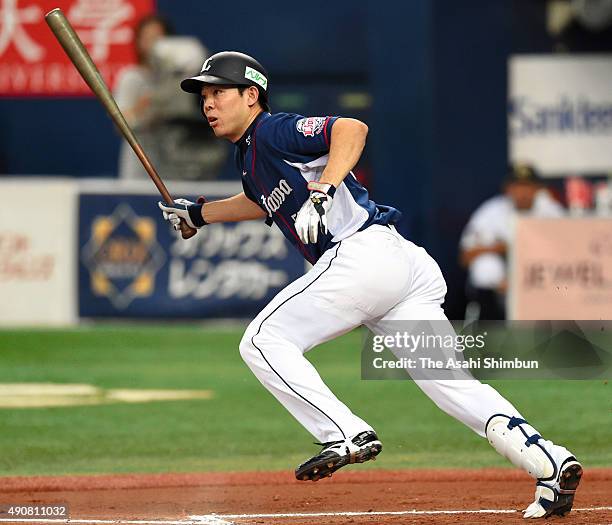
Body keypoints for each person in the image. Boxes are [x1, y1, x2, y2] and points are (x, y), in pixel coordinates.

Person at [158, 51, 582, 519]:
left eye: (219, 92)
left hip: (363, 258)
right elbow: (260, 201)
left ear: (251, 95)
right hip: (400, 268)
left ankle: (344, 432)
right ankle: (550, 462)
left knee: (262, 340)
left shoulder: (273, 130)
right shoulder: (252, 157)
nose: (209, 104)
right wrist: (199, 214)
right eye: (205, 95)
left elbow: (351, 129)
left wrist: (324, 190)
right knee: (454, 386)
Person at [460, 164, 565, 320]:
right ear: (507, 189)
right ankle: (489, 324)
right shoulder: (492, 211)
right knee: (486, 266)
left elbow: (567, 253)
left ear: (538, 189)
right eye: (517, 186)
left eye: (528, 186)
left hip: (542, 278)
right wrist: (503, 249)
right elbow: (466, 256)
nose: (523, 192)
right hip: (502, 284)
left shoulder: (551, 211)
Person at [114, 14, 173, 180]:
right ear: (138, 42)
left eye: (158, 38)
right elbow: (120, 125)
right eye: (147, 38)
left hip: (174, 168)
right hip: (139, 168)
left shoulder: (177, 78)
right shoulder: (131, 77)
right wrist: (144, 105)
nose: (153, 44)